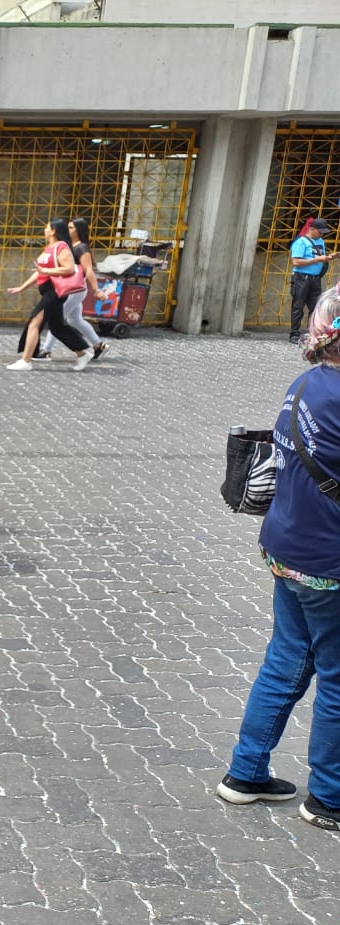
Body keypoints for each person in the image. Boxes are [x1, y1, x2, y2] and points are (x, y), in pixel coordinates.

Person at [218, 282, 340, 831]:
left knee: (286, 660)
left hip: (286, 548)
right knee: (336, 679)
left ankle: (246, 773)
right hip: (328, 565)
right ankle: (329, 797)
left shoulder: (304, 384)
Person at [6, 218, 92, 371]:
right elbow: (39, 272)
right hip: (48, 291)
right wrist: (22, 287)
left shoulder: (62, 247)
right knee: (57, 327)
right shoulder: (49, 248)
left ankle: (26, 360)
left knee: (35, 321)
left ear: (53, 231)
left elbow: (69, 268)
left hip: (55, 291)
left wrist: (46, 271)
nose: (44, 230)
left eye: (47, 227)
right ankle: (83, 353)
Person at [38, 217, 108, 362]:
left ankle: (46, 351)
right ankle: (98, 345)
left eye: (71, 228)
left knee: (56, 320)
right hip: (69, 288)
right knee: (75, 320)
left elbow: (89, 270)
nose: (68, 230)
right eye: (68, 227)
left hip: (75, 290)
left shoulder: (81, 248)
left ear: (79, 230)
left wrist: (96, 290)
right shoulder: (68, 245)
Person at [288, 218, 336, 345]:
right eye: (320, 232)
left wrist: (328, 257)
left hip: (315, 279)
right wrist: (317, 260)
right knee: (298, 306)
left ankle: (312, 333)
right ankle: (294, 334)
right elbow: (296, 262)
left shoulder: (320, 241)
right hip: (301, 278)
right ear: (312, 229)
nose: (321, 235)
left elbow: (319, 257)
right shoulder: (301, 242)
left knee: (316, 307)